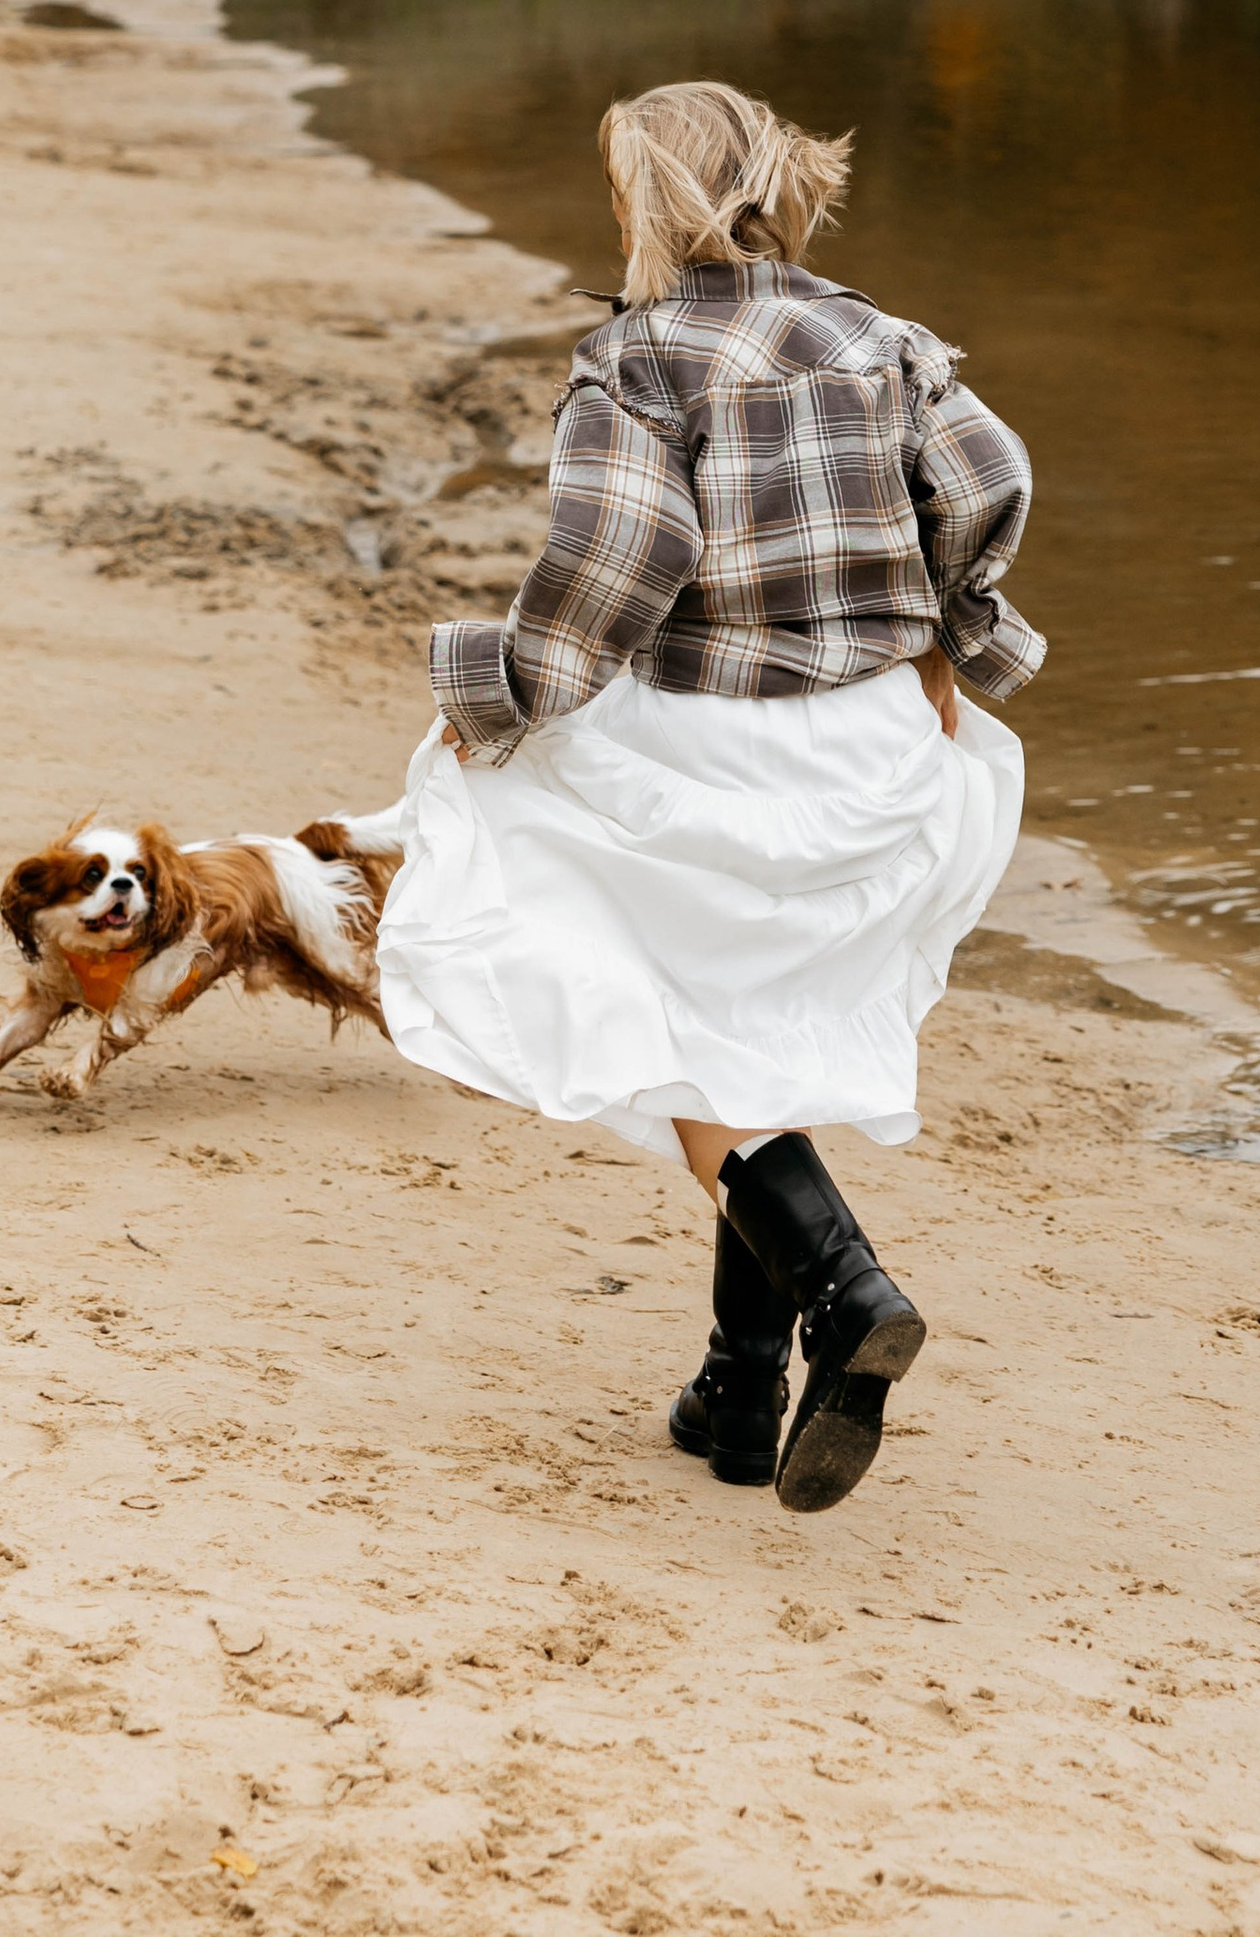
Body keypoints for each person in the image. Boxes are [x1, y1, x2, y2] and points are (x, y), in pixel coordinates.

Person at [372, 77, 1043, 1516]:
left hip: (714, 745)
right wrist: (949, 637)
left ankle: (845, 1289)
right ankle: (739, 1391)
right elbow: (989, 475)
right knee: (748, 1026)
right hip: (874, 747)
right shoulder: (884, 337)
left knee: (634, 990)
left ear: (644, 199)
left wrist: (499, 690)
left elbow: (620, 560)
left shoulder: (641, 359)